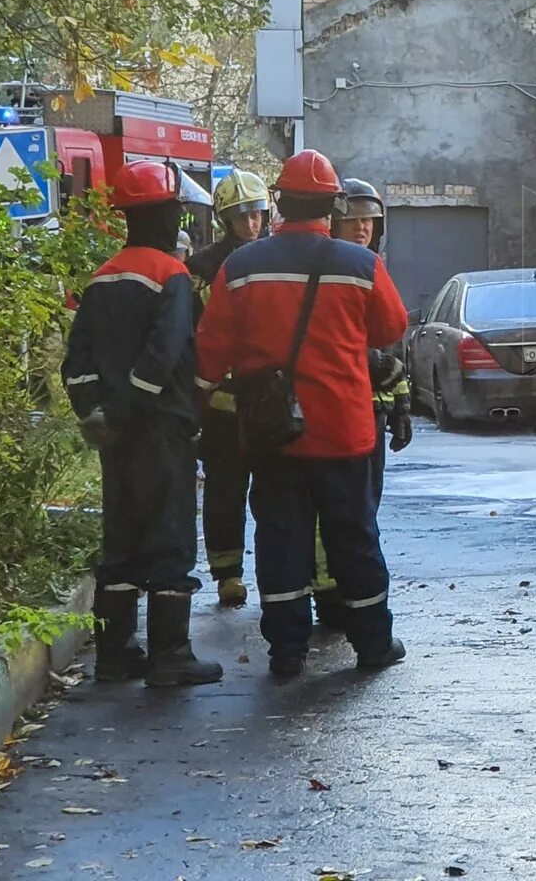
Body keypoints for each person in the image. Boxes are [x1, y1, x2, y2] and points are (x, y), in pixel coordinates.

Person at [197, 150, 409, 677]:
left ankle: (287, 651)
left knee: (280, 537)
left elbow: (211, 350)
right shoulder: (361, 265)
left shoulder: (240, 267)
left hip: (272, 433)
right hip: (344, 430)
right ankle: (373, 645)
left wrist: (195, 406)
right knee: (354, 537)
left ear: (279, 203)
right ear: (332, 205)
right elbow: (390, 329)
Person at [61, 161, 224, 687]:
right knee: (170, 536)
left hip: (114, 433)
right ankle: (170, 656)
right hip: (161, 429)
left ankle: (115, 653)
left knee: (122, 538)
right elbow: (165, 352)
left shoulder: (102, 277)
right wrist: (134, 407)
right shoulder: (171, 276)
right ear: (167, 211)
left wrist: (95, 413)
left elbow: (77, 359)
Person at [305, 178, 412, 633]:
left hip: (369, 416)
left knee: (363, 512)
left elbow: (393, 345)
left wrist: (400, 406)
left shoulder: (372, 267)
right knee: (333, 518)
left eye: (369, 221)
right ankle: (333, 597)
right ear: (333, 222)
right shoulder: (326, 270)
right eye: (352, 220)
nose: (362, 228)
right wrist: (373, 362)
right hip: (334, 415)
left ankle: (351, 592)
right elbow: (338, 343)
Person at [188, 170, 271, 608]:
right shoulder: (201, 267)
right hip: (221, 402)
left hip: (270, 400)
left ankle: (278, 572)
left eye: (256, 215)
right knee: (224, 492)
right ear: (226, 220)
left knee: (275, 491)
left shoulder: (280, 259)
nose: (250, 225)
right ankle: (228, 574)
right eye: (241, 217)